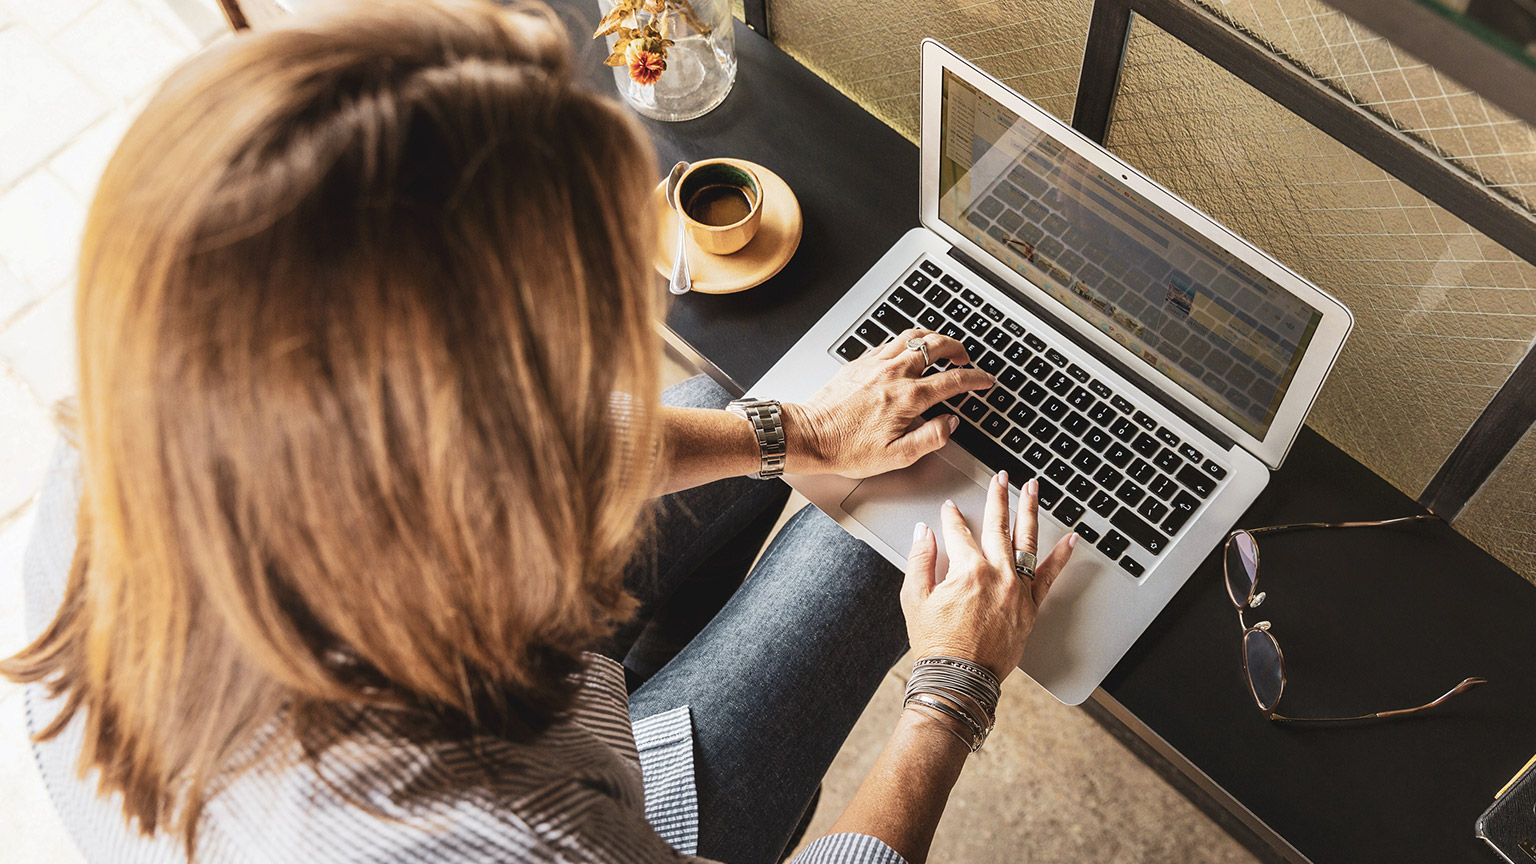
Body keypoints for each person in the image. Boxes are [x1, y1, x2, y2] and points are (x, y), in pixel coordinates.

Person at [4, 2, 1077, 862]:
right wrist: (952, 693)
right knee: (886, 549)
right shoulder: (493, 841)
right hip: (615, 815)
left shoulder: (148, 396)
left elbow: (544, 440)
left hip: (504, 692)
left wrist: (801, 432)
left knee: (767, 426)